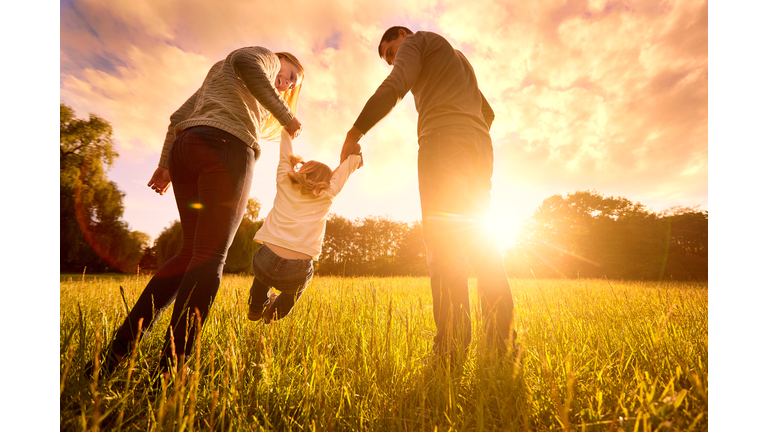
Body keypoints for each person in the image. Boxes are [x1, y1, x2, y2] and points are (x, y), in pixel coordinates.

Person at [87, 46, 305, 379]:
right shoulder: (263, 57)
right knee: (210, 257)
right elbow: (248, 61)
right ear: (280, 60)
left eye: (292, 85)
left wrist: (165, 165)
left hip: (187, 150)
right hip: (227, 148)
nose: (287, 84)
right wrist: (287, 116)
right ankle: (172, 368)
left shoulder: (223, 78)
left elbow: (177, 118)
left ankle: (114, 355)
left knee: (190, 254)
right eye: (290, 75)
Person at [339, 27, 516, 360]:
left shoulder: (417, 42)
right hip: (479, 147)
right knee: (483, 245)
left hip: (443, 142)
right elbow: (487, 112)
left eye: (393, 52)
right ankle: (501, 346)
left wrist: (355, 131)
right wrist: (467, 131)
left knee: (444, 244)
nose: (394, 60)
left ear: (403, 35)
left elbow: (395, 86)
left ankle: (450, 349)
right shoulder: (457, 58)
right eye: (389, 58)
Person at [247, 129, 361, 323]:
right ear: (327, 181)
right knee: (292, 293)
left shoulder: (284, 181)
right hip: (297, 269)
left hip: (265, 258)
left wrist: (287, 131)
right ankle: (273, 315)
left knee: (262, 277)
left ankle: (256, 308)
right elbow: (345, 171)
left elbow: (285, 154)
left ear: (302, 170)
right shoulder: (328, 194)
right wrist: (355, 157)